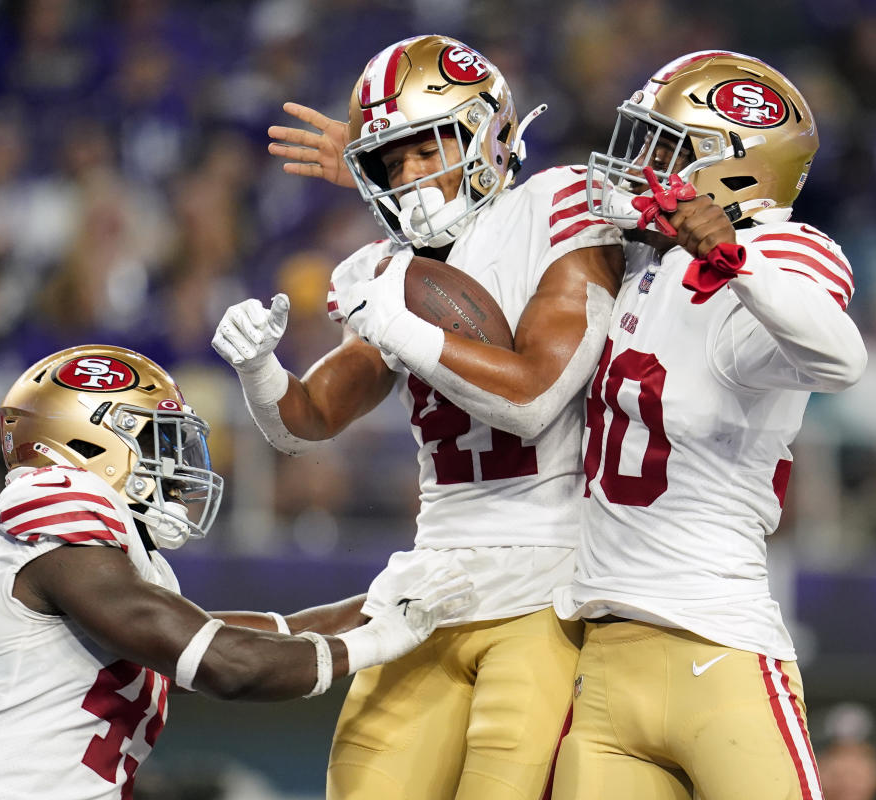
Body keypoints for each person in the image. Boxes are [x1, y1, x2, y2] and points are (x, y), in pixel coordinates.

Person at [213, 34, 624, 800]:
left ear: (489, 131)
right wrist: (259, 368)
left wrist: (398, 318)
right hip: (431, 579)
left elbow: (534, 399)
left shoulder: (556, 205)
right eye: (389, 163)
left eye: (425, 147)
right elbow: (304, 422)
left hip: (549, 575)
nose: (409, 178)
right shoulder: (391, 264)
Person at [0, 344, 472, 800]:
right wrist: (375, 641)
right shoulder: (52, 494)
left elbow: (248, 634)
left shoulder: (128, 571)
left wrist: (381, 602)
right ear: (90, 440)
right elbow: (224, 663)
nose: (178, 466)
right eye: (157, 440)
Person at [547, 51, 868, 799]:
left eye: (666, 148)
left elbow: (842, 357)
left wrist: (732, 258)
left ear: (733, 168)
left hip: (716, 645)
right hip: (602, 659)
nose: (641, 164)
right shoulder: (641, 261)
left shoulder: (781, 253)